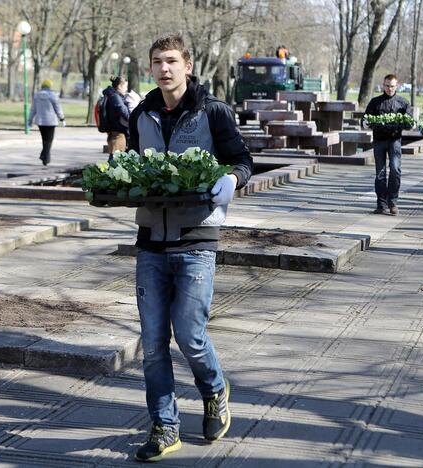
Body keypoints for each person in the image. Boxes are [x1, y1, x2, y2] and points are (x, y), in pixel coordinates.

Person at [127, 33, 253, 463]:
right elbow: (132, 166)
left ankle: (215, 390)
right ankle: (164, 427)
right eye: (158, 61)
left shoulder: (212, 111)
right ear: (151, 68)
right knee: (154, 343)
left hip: (197, 240)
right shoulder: (140, 114)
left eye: (172, 61)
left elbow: (242, 159)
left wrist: (232, 180)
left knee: (191, 336)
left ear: (188, 65)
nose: (165, 69)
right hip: (150, 244)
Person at [364, 74, 412, 216]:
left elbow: (409, 122)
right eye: (387, 86)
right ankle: (381, 204)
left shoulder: (403, 103)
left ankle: (393, 202)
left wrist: (408, 123)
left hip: (395, 140)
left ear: (396, 86)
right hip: (379, 140)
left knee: (395, 170)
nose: (389, 88)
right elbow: (365, 119)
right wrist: (367, 122)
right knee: (380, 173)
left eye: (392, 86)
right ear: (383, 85)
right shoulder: (375, 102)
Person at [28, 79, 65, 165]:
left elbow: (33, 109)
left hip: (40, 122)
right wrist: (62, 118)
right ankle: (46, 158)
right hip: (51, 121)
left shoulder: (36, 96)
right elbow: (58, 108)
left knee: (44, 139)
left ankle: (44, 156)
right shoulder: (53, 96)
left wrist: (30, 120)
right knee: (49, 140)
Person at [102, 76, 132, 159]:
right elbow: (124, 112)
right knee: (115, 159)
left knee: (115, 157)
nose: (126, 89)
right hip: (118, 133)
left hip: (115, 132)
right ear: (119, 86)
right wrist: (133, 118)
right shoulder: (115, 97)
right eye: (125, 86)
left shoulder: (112, 95)